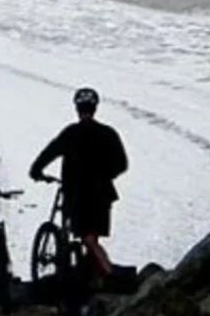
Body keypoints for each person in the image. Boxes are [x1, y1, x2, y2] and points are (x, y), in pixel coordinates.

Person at [30, 87, 128, 279]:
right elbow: (122, 164)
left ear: (77, 108)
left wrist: (36, 171)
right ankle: (93, 273)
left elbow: (49, 153)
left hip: (77, 193)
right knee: (93, 234)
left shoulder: (70, 133)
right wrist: (104, 175)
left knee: (87, 237)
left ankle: (109, 272)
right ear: (95, 108)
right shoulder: (108, 133)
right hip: (102, 192)